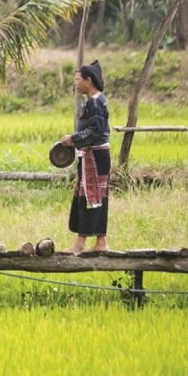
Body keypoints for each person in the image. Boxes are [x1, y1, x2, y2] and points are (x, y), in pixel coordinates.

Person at [60, 60, 110, 253]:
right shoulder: (95, 100)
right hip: (93, 156)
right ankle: (98, 242)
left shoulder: (95, 102)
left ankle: (83, 244)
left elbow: (96, 132)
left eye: (78, 79)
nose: (75, 83)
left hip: (96, 157)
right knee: (92, 197)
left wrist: (73, 139)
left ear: (88, 81)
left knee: (90, 197)